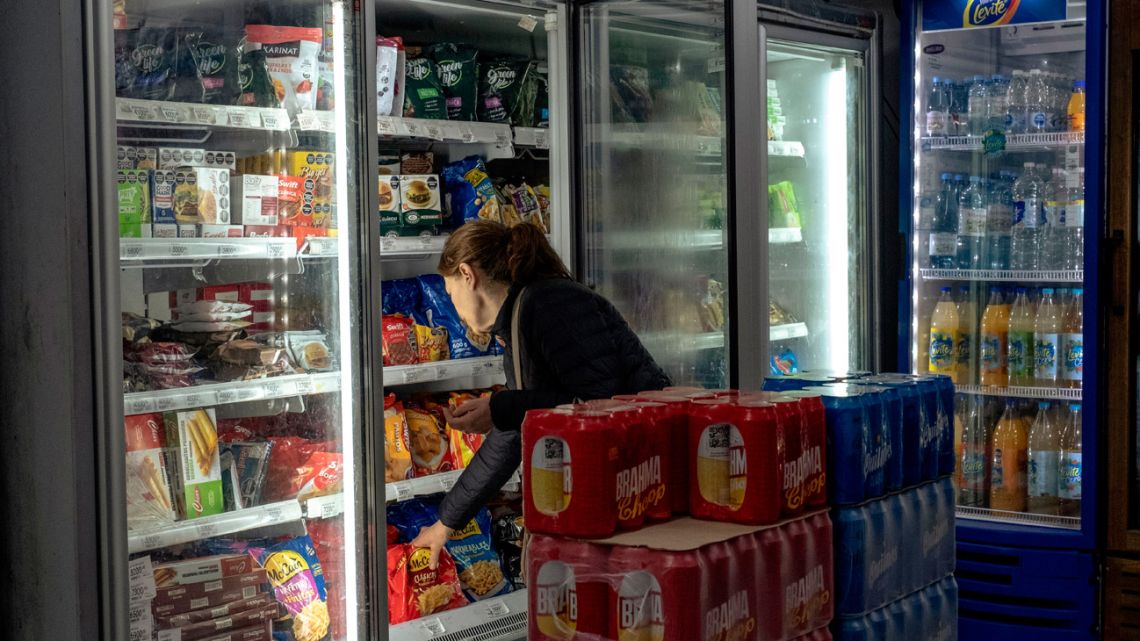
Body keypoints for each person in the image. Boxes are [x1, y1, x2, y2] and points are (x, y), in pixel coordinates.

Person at [411, 220, 671, 566]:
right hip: (611, 494)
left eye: (450, 292)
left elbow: (598, 406)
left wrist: (502, 408)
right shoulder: (521, 316)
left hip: (639, 486)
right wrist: (446, 522)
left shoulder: (550, 303)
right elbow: (515, 432)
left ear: (467, 275)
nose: (454, 310)